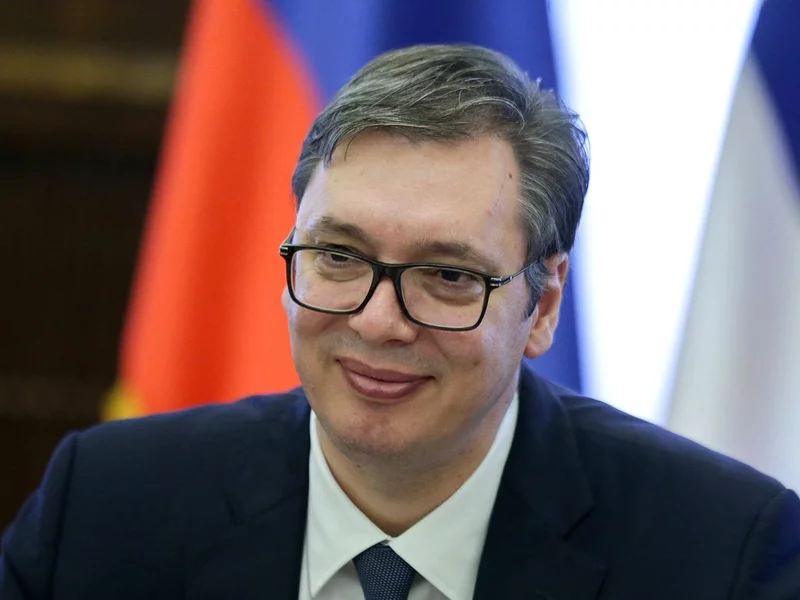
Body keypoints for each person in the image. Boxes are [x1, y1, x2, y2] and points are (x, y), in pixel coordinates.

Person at [2, 44, 799, 600]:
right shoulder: (107, 506)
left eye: (448, 275)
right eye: (339, 256)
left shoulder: (720, 554)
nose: (378, 321)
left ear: (544, 305)